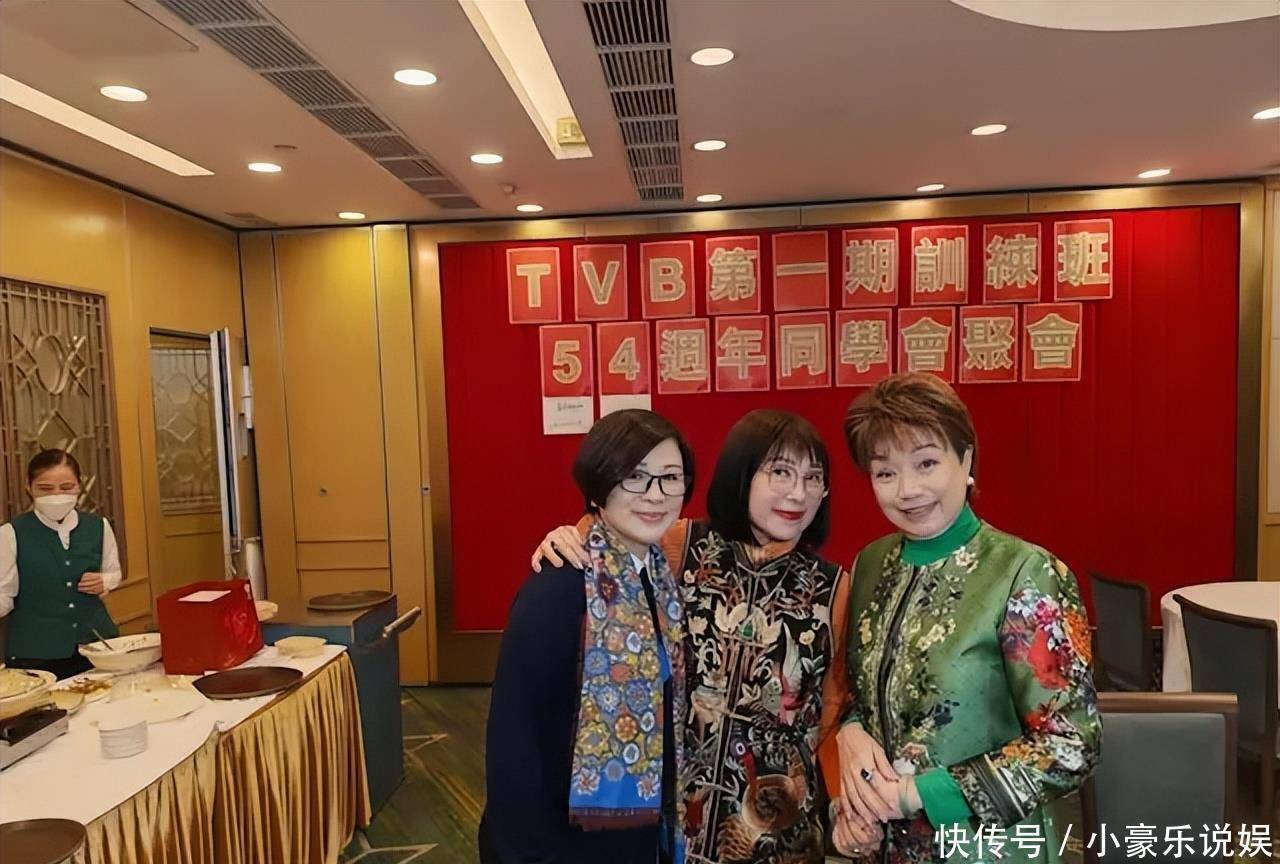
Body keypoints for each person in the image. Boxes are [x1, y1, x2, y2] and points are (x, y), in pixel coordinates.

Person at [535, 409, 882, 863]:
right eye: (780, 472)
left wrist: (841, 807)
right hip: (676, 816)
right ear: (741, 474)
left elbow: (835, 709)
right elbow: (610, 538)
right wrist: (570, 536)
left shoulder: (832, 588)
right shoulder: (681, 546)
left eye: (813, 478)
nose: (798, 493)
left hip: (777, 830)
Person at [833, 373, 1101, 862]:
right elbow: (863, 692)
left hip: (985, 848)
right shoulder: (872, 565)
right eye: (885, 473)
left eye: (927, 463)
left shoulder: (1024, 572)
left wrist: (919, 794)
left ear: (967, 459)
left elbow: (1071, 744)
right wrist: (851, 738)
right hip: (887, 848)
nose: (908, 490)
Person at [479, 409, 693, 863]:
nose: (655, 494)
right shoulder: (560, 585)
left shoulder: (661, 581)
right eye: (635, 476)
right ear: (598, 485)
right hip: (564, 843)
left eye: (670, 477)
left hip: (639, 836)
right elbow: (515, 737)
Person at [1, 449, 122, 679]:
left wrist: (104, 581)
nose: (56, 495)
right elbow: (4, 596)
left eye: (66, 487)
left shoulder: (98, 526)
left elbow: (113, 573)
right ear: (29, 487)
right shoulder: (10, 533)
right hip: (36, 652)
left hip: (96, 646)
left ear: (79, 486)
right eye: (45, 489)